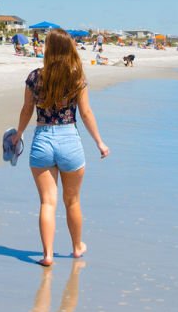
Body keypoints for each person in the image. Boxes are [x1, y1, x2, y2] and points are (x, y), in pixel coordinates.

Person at [14, 28, 109, 266]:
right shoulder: (76, 77)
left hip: (42, 140)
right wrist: (99, 141)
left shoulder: (35, 77)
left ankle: (47, 255)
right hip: (69, 141)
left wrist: (18, 134)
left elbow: (27, 110)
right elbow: (86, 113)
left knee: (47, 202)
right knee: (73, 201)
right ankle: (77, 247)